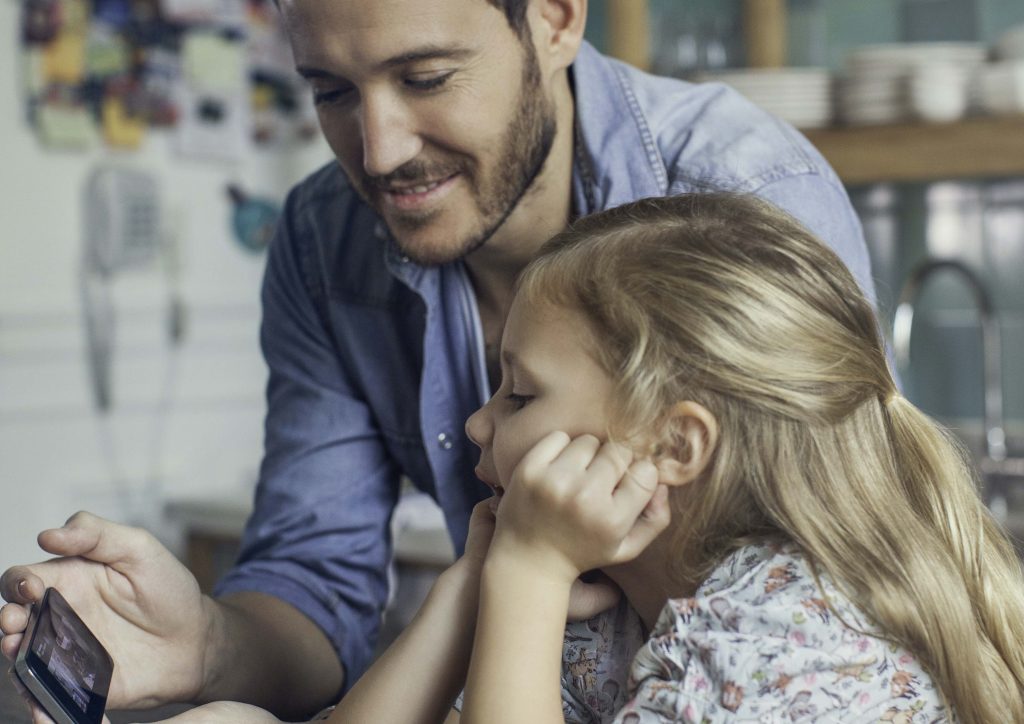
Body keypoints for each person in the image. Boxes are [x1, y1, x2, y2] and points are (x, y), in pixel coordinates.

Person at [2, 0, 881, 719]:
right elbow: (316, 581)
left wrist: (518, 578)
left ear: (557, 19)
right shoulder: (323, 239)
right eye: (331, 92)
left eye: (425, 78)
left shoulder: (746, 203)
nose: (378, 151)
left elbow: (835, 562)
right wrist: (206, 642)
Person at [455, 193, 1024, 722]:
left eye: (522, 395)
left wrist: (525, 574)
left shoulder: (786, 644)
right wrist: (476, 587)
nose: (477, 423)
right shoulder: (607, 607)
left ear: (675, 445)